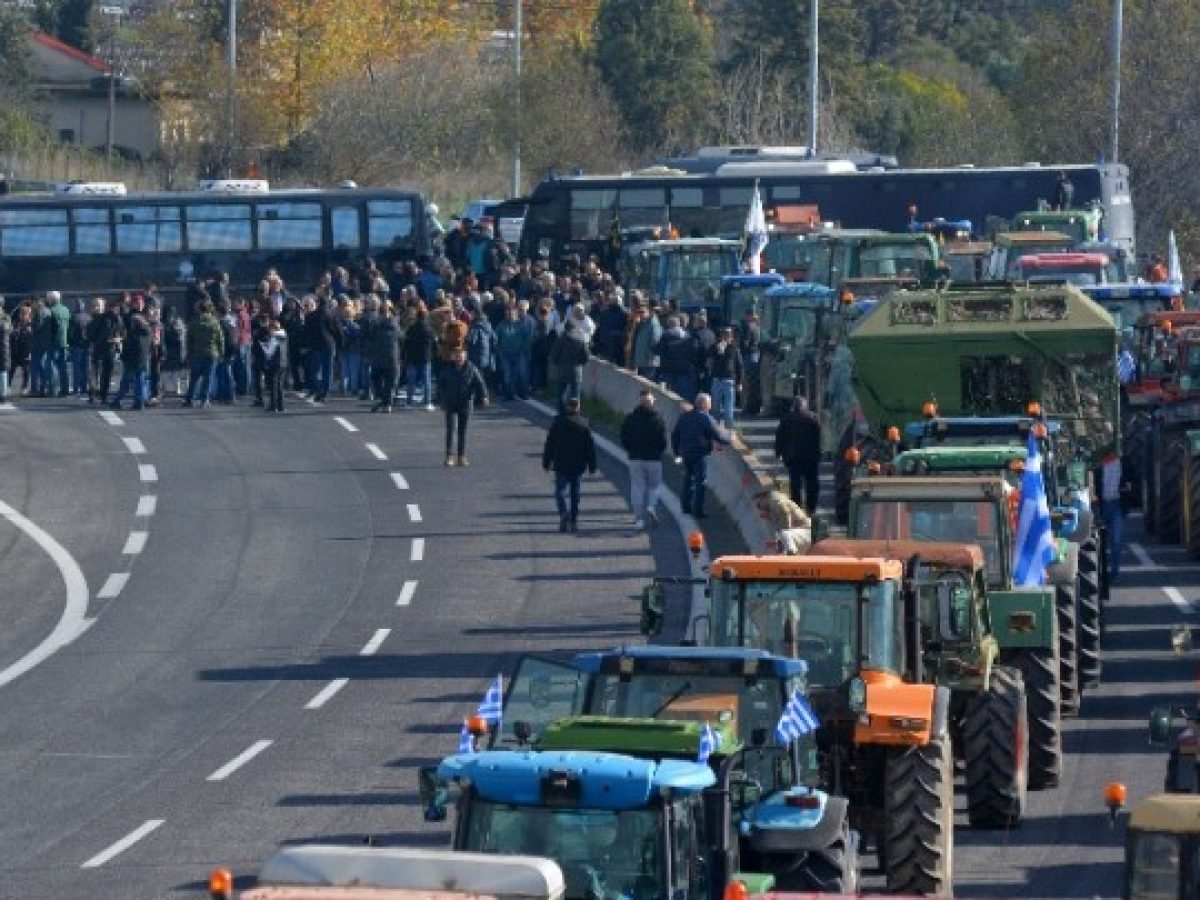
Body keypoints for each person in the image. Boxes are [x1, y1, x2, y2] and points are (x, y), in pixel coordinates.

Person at [543, 396, 598, 533]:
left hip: (561, 462)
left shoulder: (558, 423)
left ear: (566, 406)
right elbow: (590, 448)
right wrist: (592, 466)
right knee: (575, 493)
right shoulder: (585, 424)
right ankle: (573, 520)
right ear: (578, 407)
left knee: (560, 490)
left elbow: (549, 444)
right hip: (578, 464)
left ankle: (563, 512)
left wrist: (546, 462)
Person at [671, 393, 730, 519]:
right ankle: (698, 510)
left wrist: (677, 452)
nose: (710, 405)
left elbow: (675, 435)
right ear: (704, 404)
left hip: (686, 453)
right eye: (709, 403)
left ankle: (685, 506)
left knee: (688, 479)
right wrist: (729, 439)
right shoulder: (705, 418)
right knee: (700, 482)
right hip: (699, 454)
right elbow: (717, 435)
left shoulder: (684, 416)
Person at [620, 388, 668, 528]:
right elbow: (663, 441)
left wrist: (630, 449)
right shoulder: (658, 419)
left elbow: (624, 436)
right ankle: (651, 505)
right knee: (655, 485)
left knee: (637, 487)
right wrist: (659, 452)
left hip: (635, 457)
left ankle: (639, 518)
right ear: (652, 401)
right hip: (653, 458)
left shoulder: (631, 418)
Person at [438, 347, 489, 467]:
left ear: (465, 356)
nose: (459, 358)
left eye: (461, 355)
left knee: (462, 431)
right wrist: (441, 399)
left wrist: (484, 396)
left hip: (465, 403)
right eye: (456, 355)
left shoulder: (471, 369)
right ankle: (449, 456)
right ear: (452, 356)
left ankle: (461, 456)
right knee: (450, 430)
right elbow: (441, 385)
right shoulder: (447, 369)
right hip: (450, 402)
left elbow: (480, 383)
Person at [774, 396, 822, 515]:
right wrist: (820, 453)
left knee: (795, 485)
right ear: (805, 406)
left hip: (793, 458)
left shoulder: (786, 419)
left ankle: (797, 509)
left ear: (793, 407)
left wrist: (778, 453)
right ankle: (811, 509)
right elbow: (819, 438)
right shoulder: (813, 418)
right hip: (811, 458)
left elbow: (780, 438)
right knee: (812, 484)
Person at [184, 300, 224, 408]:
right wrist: (221, 353)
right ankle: (204, 399)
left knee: (194, 378)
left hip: (197, 353)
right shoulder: (214, 322)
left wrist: (189, 353)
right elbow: (220, 339)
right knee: (208, 378)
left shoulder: (194, 322)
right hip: (212, 353)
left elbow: (189, 340)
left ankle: (189, 399)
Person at [1097, 447, 1127, 584]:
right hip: (1101, 506)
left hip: (1116, 505)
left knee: (1115, 541)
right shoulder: (1098, 468)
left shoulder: (1124, 465)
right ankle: (1101, 574)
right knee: (1100, 542)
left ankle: (1114, 574)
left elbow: (1131, 483)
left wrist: (1127, 491)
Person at [708, 327, 743, 431]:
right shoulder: (714, 347)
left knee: (728, 410)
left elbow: (739, 366)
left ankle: (729, 431)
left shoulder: (735, 349)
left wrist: (739, 383)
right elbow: (710, 360)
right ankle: (715, 430)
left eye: (728, 336)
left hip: (729, 381)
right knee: (715, 409)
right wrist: (719, 351)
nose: (726, 337)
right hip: (717, 380)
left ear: (731, 338)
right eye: (724, 335)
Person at [549, 318, 590, 408]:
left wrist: (559, 363)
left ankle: (561, 414)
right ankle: (575, 414)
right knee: (575, 395)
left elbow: (553, 356)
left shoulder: (560, 340)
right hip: (576, 371)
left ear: (565, 328)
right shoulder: (580, 340)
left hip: (562, 370)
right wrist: (578, 363)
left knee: (560, 394)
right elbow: (586, 357)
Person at [367, 305, 400, 413]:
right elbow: (402, 340)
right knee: (390, 383)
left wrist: (369, 354)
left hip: (378, 359)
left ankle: (381, 399)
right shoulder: (395, 326)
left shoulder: (375, 327)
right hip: (392, 358)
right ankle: (387, 404)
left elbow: (370, 342)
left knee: (376, 379)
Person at [252, 314, 288, 412]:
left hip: (275, 363)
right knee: (279, 385)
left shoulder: (273, 337)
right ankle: (281, 406)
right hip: (283, 362)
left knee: (273, 385)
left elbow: (269, 351)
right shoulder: (283, 334)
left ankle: (273, 405)